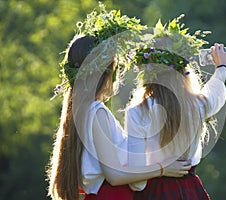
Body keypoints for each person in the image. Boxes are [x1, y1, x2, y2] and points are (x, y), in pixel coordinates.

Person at [47, 5, 191, 200]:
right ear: (106, 73)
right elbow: (114, 175)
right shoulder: (96, 111)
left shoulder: (82, 110)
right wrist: (162, 169)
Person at [125, 18, 226, 200]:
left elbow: (137, 181)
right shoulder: (197, 105)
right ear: (183, 70)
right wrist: (221, 67)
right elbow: (215, 92)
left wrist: (159, 169)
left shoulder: (137, 111)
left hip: (153, 193)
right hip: (190, 190)